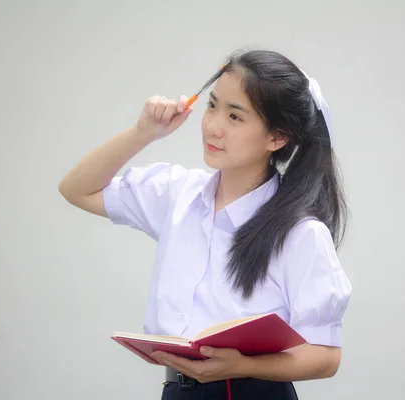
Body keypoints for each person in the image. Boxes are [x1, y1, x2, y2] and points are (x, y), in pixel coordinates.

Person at [58, 49, 352, 399]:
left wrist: (242, 366)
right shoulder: (177, 194)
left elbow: (326, 357)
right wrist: (143, 132)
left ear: (277, 137)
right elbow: (76, 189)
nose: (213, 126)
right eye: (212, 106)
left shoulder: (300, 234)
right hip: (178, 390)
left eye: (235, 116)